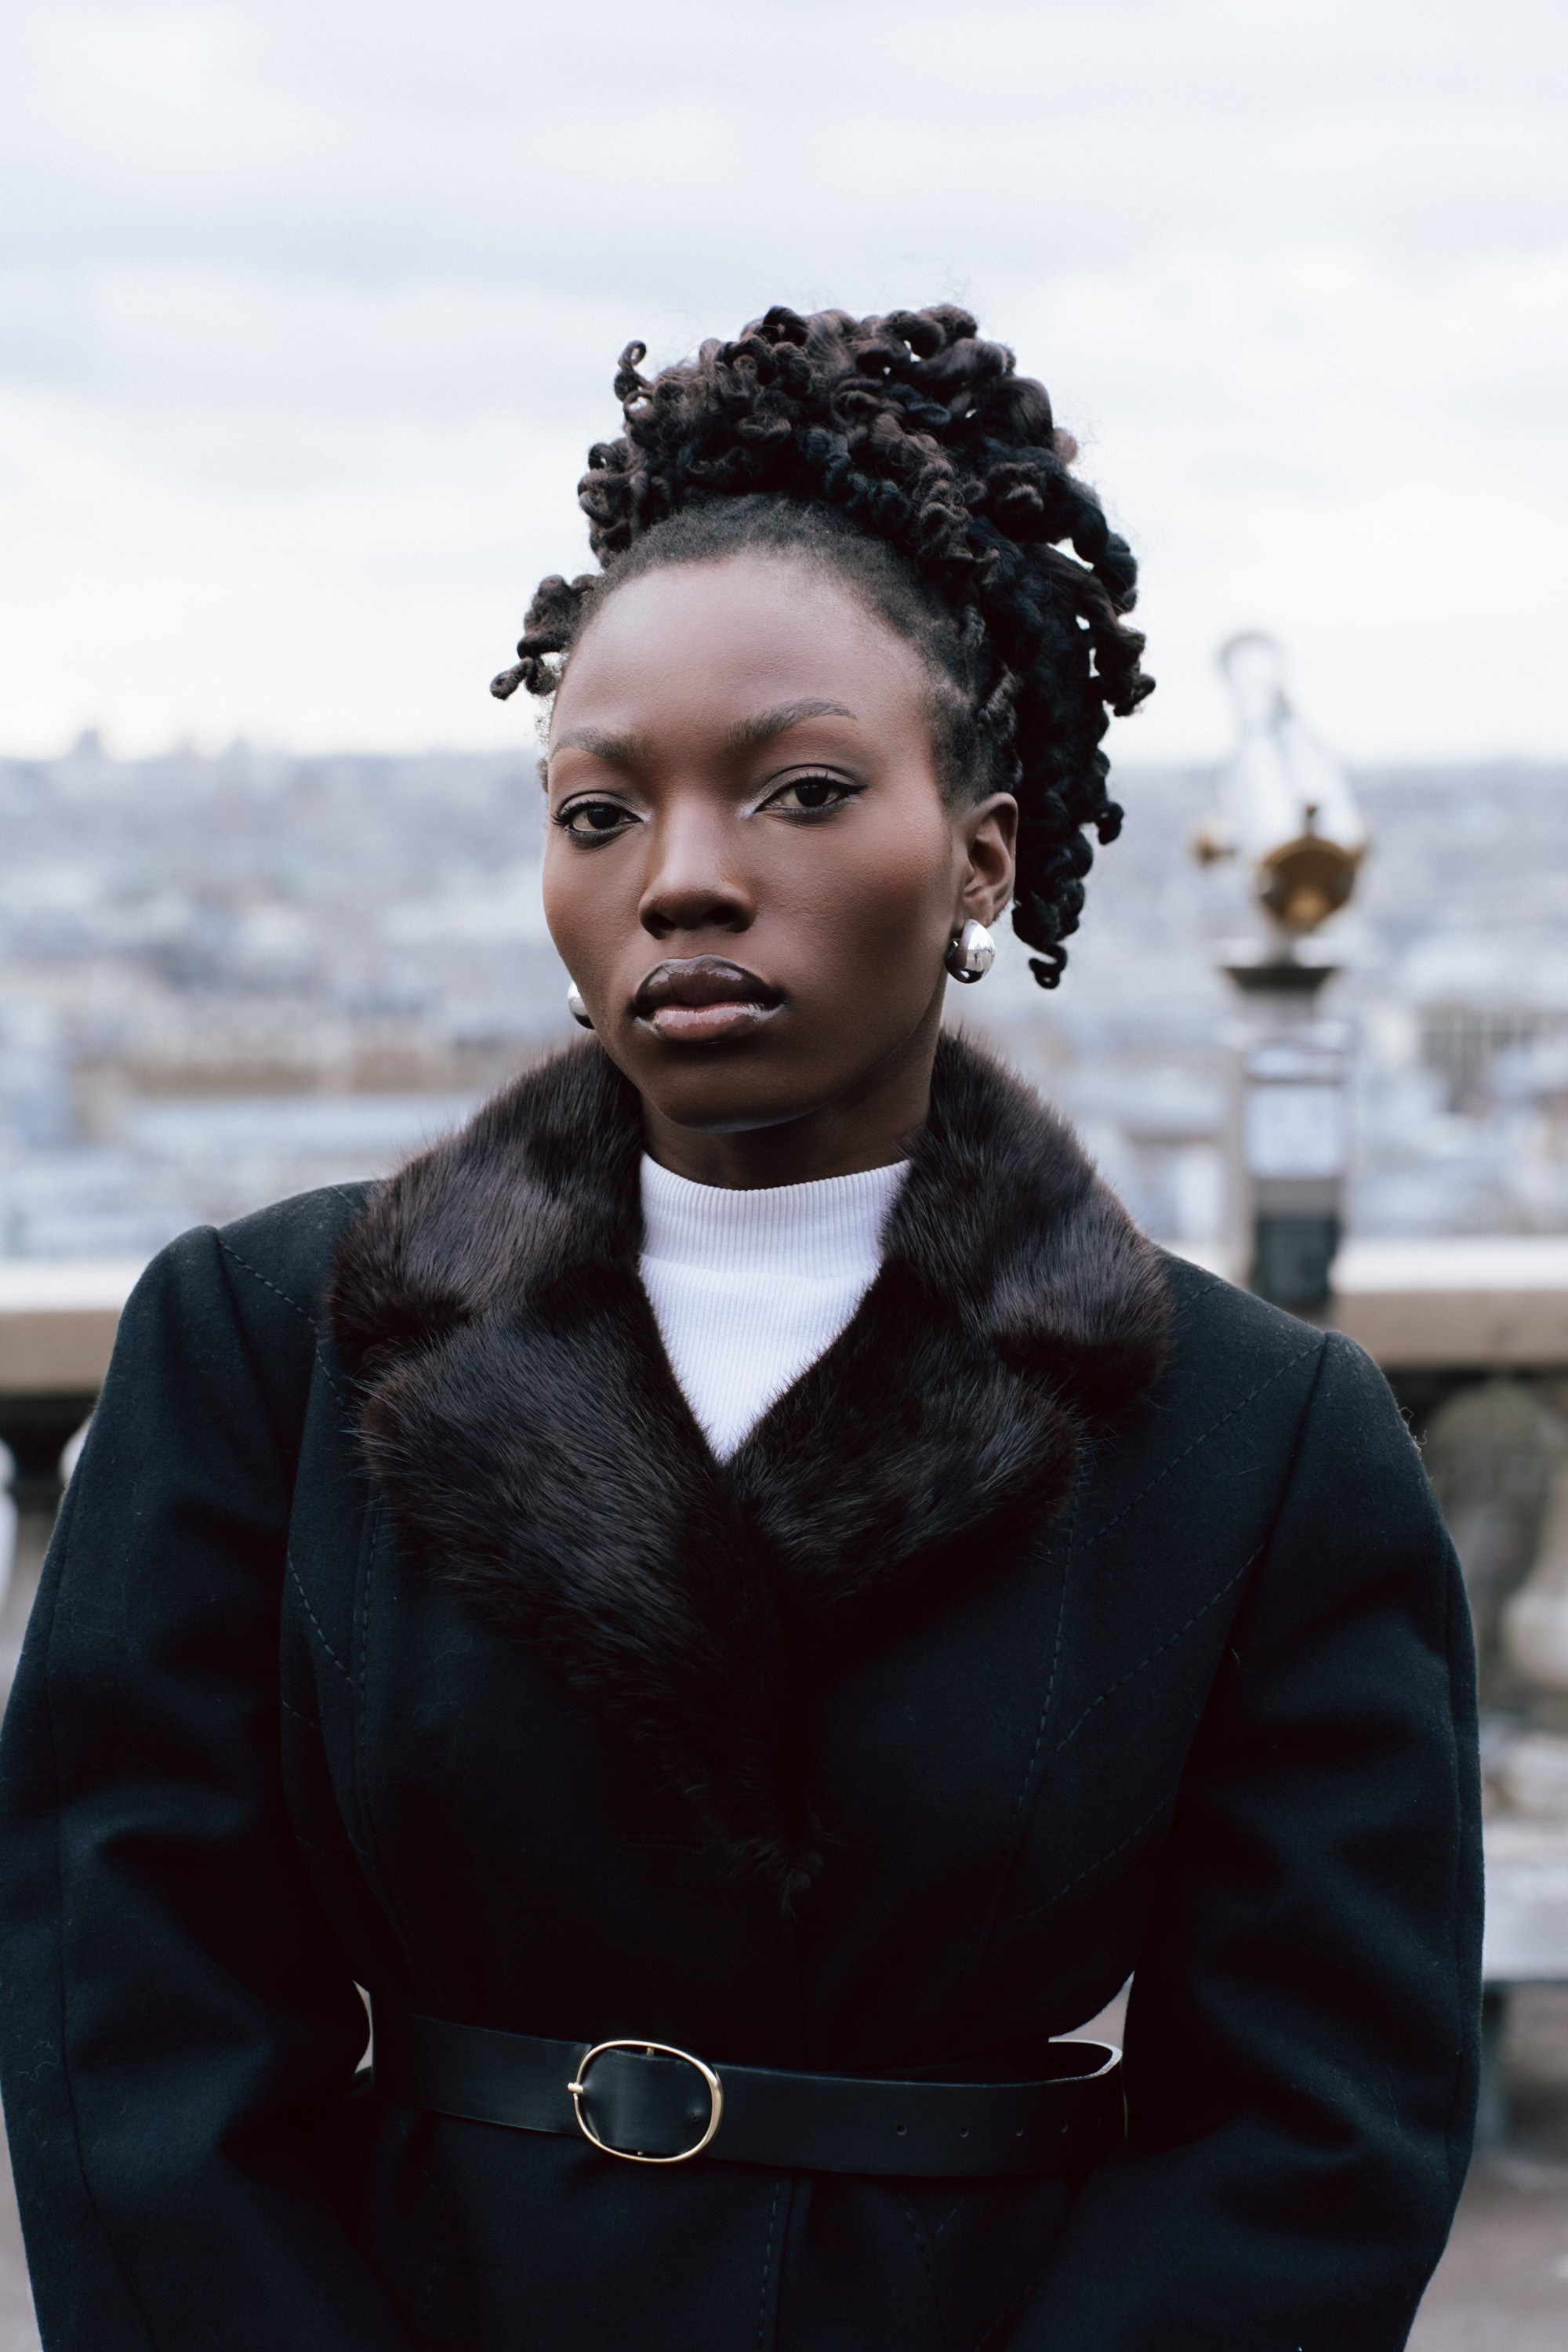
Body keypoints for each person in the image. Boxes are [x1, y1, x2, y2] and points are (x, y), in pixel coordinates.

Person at [0, 304, 1479, 2350]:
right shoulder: (265, 1345)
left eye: (793, 791)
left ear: (983, 855)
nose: (685, 879)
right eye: (600, 811)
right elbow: (125, 2014)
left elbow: (1321, 2126)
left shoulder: (1252, 1435)